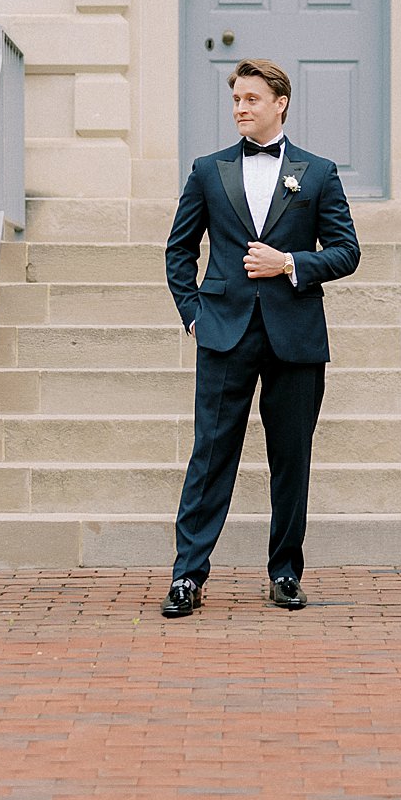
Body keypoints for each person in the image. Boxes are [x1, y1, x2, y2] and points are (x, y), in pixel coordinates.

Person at [158, 59, 359, 618]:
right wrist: (193, 313)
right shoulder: (207, 170)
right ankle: (187, 576)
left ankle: (285, 572)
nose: (240, 108)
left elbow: (347, 252)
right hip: (223, 332)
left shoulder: (317, 173)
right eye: (236, 100)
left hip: (295, 335)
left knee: (291, 457)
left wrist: (289, 263)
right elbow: (179, 250)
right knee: (210, 455)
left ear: (280, 103)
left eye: (251, 99)